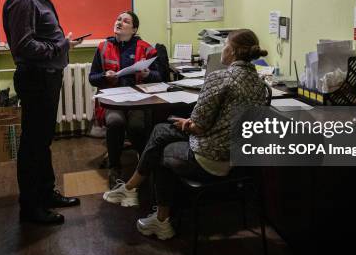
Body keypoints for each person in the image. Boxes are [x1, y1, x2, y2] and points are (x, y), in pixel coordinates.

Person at [102, 29, 269, 239]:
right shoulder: (259, 83)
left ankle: (156, 214)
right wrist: (191, 123)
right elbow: (226, 119)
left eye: (225, 45)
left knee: (162, 146)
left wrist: (188, 124)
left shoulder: (220, 78)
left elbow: (198, 127)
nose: (223, 50)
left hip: (213, 158)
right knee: (161, 130)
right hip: (240, 159)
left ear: (233, 52)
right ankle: (133, 192)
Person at [3, 0, 82, 225]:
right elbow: (24, 47)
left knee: (42, 142)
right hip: (36, 79)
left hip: (47, 78)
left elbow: (39, 40)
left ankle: (46, 193)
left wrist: (61, 45)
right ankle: (31, 208)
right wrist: (61, 45)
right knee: (33, 145)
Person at [89, 11, 161, 187]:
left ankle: (143, 166)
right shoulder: (103, 47)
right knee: (114, 122)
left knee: (137, 125)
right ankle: (115, 168)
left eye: (126, 21)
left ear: (134, 29)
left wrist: (148, 74)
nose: (120, 22)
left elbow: (160, 76)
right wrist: (105, 76)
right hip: (114, 100)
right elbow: (92, 77)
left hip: (138, 100)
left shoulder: (146, 49)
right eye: (118, 19)